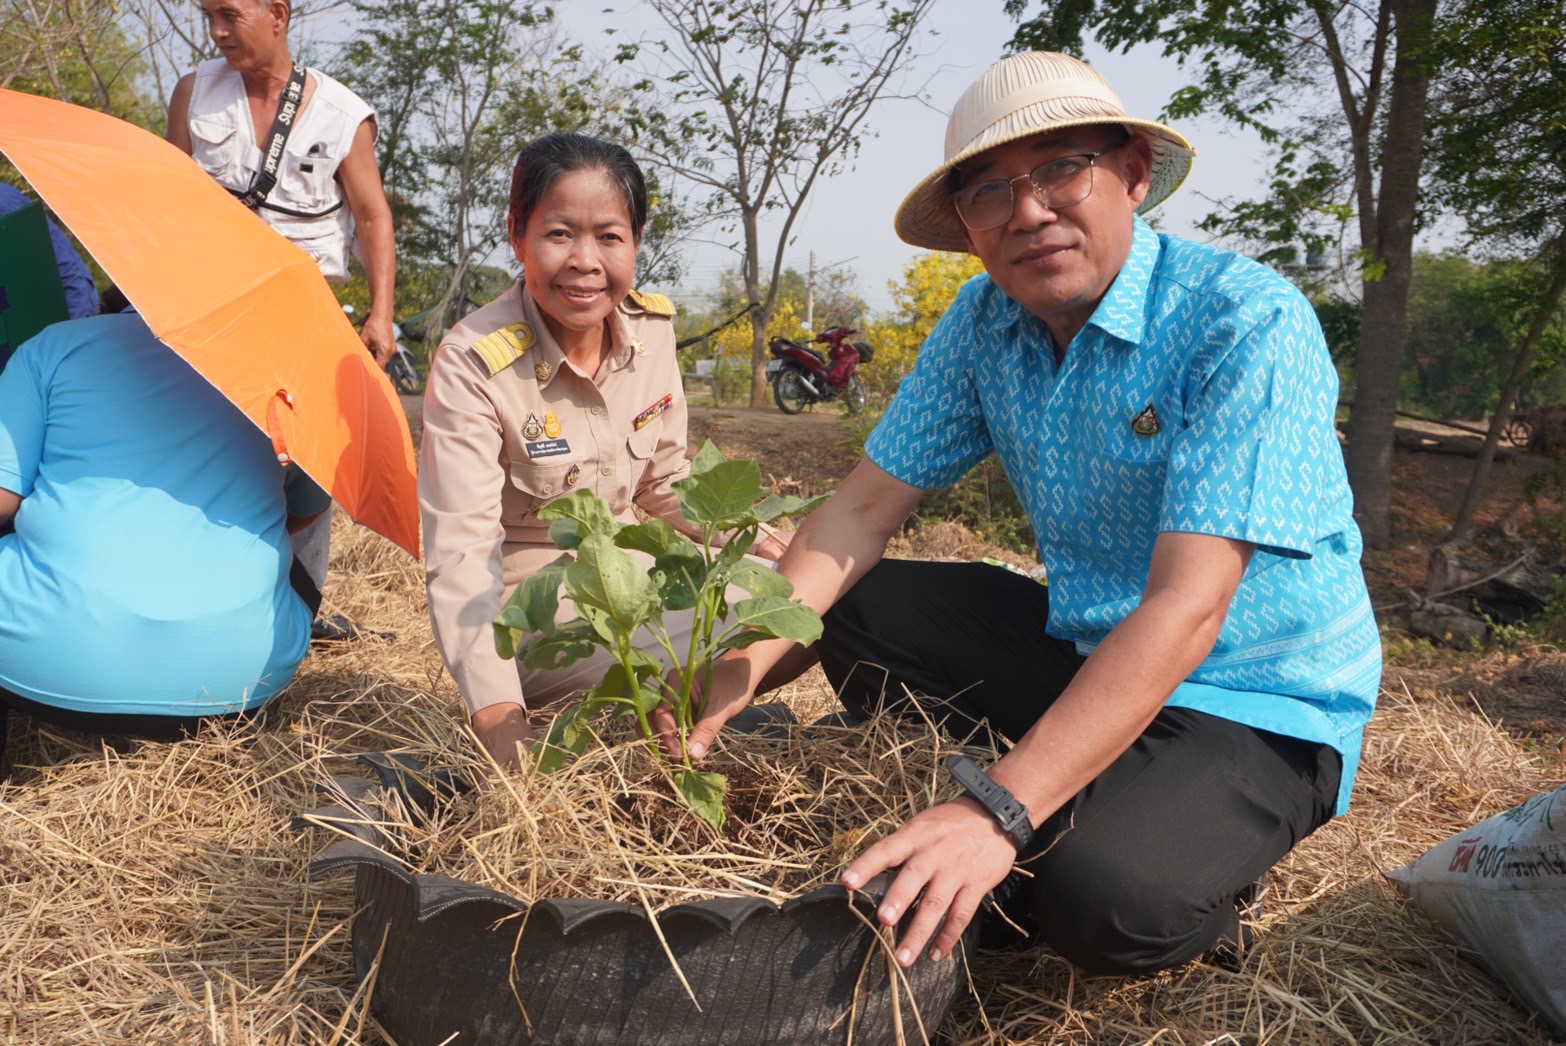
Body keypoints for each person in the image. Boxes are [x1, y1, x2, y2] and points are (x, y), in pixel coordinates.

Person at [675, 52, 1382, 976]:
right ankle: (1068, 803)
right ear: (967, 228)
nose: (1030, 212)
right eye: (990, 192)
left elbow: (1189, 608)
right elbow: (859, 510)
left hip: (1255, 696)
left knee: (1102, 902)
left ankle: (1140, 859)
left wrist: (997, 810)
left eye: (1061, 168)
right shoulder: (984, 322)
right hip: (1088, 650)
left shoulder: (1242, 322)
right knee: (849, 603)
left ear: (1131, 174)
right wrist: (738, 666)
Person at [419, 132, 787, 770]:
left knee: (804, 599)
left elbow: (665, 479)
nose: (585, 261)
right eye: (559, 234)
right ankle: (636, 729)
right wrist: (501, 724)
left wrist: (760, 540)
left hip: (633, 579)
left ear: (636, 241)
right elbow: (461, 559)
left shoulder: (651, 333)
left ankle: (671, 729)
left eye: (609, 237)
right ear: (518, 235)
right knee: (714, 638)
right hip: (539, 612)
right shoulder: (474, 362)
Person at [0, 310, 324, 758]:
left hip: (41, 667)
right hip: (240, 681)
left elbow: (2, 498)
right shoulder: (280, 374)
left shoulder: (52, 348)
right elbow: (307, 507)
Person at [166, 0, 397, 599]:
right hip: (212, 310)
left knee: (310, 456)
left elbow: (372, 216)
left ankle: (302, 604)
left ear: (277, 14)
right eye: (207, 17)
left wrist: (381, 314)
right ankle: (203, 589)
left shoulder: (342, 114)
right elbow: (168, 198)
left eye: (229, 15)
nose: (216, 32)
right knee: (209, 445)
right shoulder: (193, 92)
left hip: (305, 312)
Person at [0, 181, 99, 320]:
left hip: (67, 302)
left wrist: (75, 320)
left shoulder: (5, 202)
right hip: (21, 310)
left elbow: (59, 265)